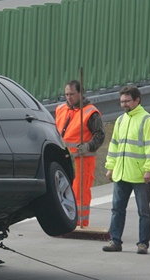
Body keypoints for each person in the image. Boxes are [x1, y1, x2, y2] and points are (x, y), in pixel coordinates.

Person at [102, 86, 150, 254]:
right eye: (121, 102)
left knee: (144, 211)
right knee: (117, 209)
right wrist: (110, 167)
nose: (124, 105)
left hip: (141, 175)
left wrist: (149, 170)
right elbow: (114, 145)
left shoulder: (147, 121)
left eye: (127, 101)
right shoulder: (120, 120)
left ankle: (143, 243)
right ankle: (115, 241)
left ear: (137, 100)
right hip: (121, 173)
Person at [55, 80, 105, 227]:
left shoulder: (90, 113)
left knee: (79, 193)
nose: (69, 97)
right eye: (66, 94)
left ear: (80, 93)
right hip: (64, 160)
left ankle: (80, 223)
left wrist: (88, 146)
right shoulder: (60, 109)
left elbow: (100, 135)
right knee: (62, 193)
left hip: (82, 160)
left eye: (72, 94)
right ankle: (66, 221)